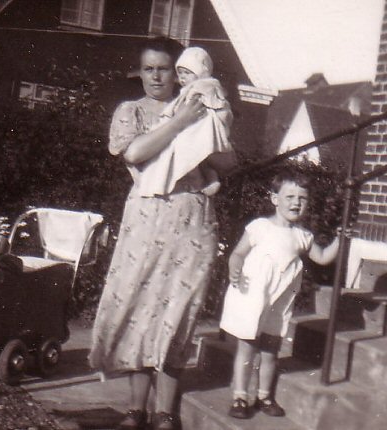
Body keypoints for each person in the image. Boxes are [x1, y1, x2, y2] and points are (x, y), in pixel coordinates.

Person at [88, 37, 233, 430]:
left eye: (164, 69)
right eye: (148, 69)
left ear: (179, 72)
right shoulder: (131, 110)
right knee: (140, 308)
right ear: (140, 72)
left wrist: (203, 127)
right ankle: (136, 410)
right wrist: (181, 122)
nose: (156, 76)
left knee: (179, 311)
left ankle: (166, 412)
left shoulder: (201, 103)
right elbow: (134, 153)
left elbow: (228, 160)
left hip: (192, 220)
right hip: (146, 219)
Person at [219, 170, 340, 419]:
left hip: (280, 300)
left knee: (270, 349)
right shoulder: (260, 227)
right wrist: (234, 267)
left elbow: (322, 257)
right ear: (275, 199)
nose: (296, 203)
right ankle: (240, 397)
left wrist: (341, 240)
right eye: (290, 197)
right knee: (247, 348)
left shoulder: (302, 236)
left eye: (302, 198)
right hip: (254, 295)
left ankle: (264, 396)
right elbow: (238, 253)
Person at [149, 45, 234, 197]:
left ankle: (198, 180)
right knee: (199, 158)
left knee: (186, 149)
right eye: (180, 73)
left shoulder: (203, 87)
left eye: (187, 73)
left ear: (200, 73)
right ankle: (210, 179)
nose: (182, 78)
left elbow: (195, 108)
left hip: (202, 127)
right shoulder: (194, 87)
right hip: (196, 126)